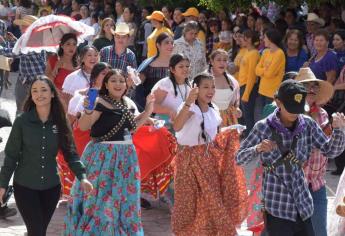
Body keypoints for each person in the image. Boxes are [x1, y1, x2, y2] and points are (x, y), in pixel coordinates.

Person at [236, 79, 345, 236]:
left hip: (303, 205)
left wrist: (339, 130)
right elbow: (239, 158)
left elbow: (330, 151)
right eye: (291, 109)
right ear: (278, 102)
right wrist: (257, 148)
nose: (295, 114)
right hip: (277, 205)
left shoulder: (308, 124)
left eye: (298, 109)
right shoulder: (263, 127)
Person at [64, 69, 154, 235]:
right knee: (101, 200)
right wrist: (88, 110)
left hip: (126, 156)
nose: (118, 84)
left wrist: (148, 111)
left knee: (124, 199)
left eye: (121, 81)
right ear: (106, 84)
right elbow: (84, 126)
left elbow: (131, 129)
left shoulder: (127, 103)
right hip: (102, 156)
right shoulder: (99, 101)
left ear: (126, 84)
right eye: (113, 80)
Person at [0, 76, 93, 236]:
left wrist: (82, 176)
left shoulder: (60, 121)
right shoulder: (22, 121)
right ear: (31, 95)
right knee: (37, 231)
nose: (39, 94)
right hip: (25, 186)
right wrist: (2, 185)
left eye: (43, 89)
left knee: (38, 230)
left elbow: (71, 153)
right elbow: (11, 156)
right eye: (34, 90)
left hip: (52, 187)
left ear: (52, 94)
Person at [172, 72, 248, 235]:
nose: (210, 90)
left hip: (209, 160)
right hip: (189, 160)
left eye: (212, 87)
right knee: (190, 202)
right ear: (196, 89)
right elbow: (177, 126)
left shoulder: (213, 108)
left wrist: (231, 130)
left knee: (211, 200)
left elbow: (214, 135)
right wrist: (187, 102)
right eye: (205, 87)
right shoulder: (190, 107)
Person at [294, 68, 335, 236]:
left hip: (317, 182)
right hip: (293, 186)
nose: (311, 89)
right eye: (306, 85)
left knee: (319, 232)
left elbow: (330, 147)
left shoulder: (323, 114)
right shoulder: (289, 114)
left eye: (314, 86)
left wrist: (337, 131)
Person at [0, 15, 46, 115]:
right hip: (32, 80)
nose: (20, 27)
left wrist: (1, 45)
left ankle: (20, 128)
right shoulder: (35, 38)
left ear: (30, 27)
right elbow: (22, 50)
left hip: (30, 82)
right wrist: (14, 40)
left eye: (23, 25)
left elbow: (12, 53)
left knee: (22, 110)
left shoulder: (31, 41)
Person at [67, 62, 111, 154]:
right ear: (95, 76)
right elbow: (71, 120)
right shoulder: (80, 95)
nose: (108, 76)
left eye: (110, 74)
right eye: (104, 74)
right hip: (84, 138)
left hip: (106, 139)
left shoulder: (114, 96)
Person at [134, 32, 172, 111]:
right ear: (158, 45)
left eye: (172, 43)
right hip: (151, 109)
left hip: (173, 108)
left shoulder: (176, 64)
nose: (170, 45)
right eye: (166, 43)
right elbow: (138, 85)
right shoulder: (148, 64)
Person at [255, 28, 285, 115]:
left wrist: (263, 70)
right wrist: (265, 69)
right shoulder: (265, 52)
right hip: (262, 90)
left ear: (270, 39)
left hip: (272, 93)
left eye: (265, 37)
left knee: (269, 118)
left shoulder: (280, 53)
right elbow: (256, 70)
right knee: (261, 117)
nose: (263, 39)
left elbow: (269, 74)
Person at [209, 49, 241, 127]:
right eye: (219, 60)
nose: (222, 63)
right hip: (211, 118)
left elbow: (235, 103)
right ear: (212, 62)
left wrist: (237, 109)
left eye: (225, 60)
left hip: (228, 119)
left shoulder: (232, 81)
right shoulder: (204, 79)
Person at [238, 29, 260, 135]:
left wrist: (246, 93)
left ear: (249, 39)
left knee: (248, 113)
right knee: (244, 113)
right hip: (242, 85)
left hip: (249, 87)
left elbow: (252, 75)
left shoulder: (254, 53)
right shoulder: (247, 51)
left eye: (244, 37)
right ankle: (246, 131)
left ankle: (250, 134)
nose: (242, 39)